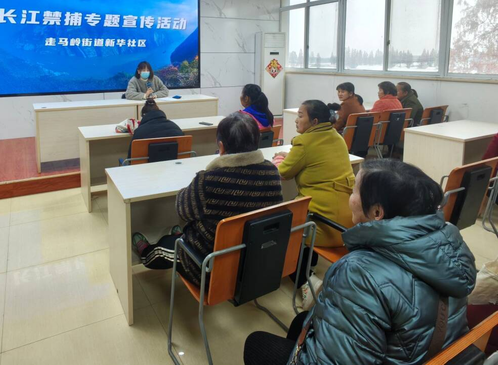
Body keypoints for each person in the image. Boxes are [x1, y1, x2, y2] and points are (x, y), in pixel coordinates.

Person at [244, 159, 477, 365]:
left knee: (256, 343)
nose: (349, 196)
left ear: (376, 212)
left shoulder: (357, 273)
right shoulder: (449, 243)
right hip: (430, 352)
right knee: (301, 322)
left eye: (354, 190)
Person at [131, 113, 283, 287]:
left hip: (207, 265)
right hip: (254, 260)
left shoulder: (209, 180)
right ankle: (178, 236)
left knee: (161, 249)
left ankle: (145, 251)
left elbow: (182, 211)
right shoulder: (272, 172)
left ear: (221, 146)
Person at [273, 100, 355, 248]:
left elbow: (282, 173)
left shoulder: (304, 142)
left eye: (300, 116)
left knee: (274, 220)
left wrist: (278, 159)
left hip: (321, 225)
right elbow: (314, 157)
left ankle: (295, 260)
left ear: (314, 121)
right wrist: (290, 156)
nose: (296, 120)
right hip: (347, 225)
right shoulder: (337, 137)